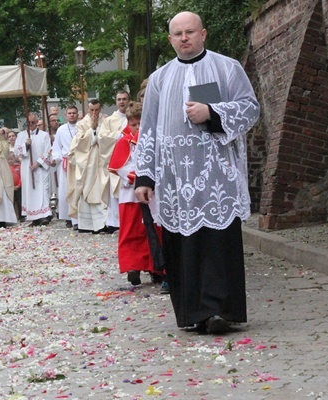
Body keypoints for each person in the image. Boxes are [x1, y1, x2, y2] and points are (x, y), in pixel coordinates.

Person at [134, 11, 260, 334]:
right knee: (185, 247)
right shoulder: (160, 79)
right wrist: (145, 177)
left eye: (190, 31)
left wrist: (212, 113)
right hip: (176, 180)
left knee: (217, 245)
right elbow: (147, 131)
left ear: (203, 34)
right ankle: (193, 312)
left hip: (217, 176)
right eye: (178, 34)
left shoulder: (226, 68)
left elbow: (250, 108)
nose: (184, 38)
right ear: (170, 40)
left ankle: (219, 310)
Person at [108, 101, 164, 287]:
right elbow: (119, 165)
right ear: (128, 123)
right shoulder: (123, 141)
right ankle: (133, 267)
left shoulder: (152, 139)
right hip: (130, 194)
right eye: (134, 124)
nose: (138, 128)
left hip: (151, 193)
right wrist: (137, 176)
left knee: (152, 230)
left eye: (141, 124)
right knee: (132, 231)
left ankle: (155, 267)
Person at [66, 99, 107, 233]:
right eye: (91, 110)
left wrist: (98, 130)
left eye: (97, 110)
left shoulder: (106, 120)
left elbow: (107, 138)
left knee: (102, 190)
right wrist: (92, 130)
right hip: (87, 162)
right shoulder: (81, 123)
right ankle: (87, 224)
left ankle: (104, 223)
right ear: (87, 109)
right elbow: (80, 142)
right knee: (86, 190)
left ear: (100, 109)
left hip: (101, 161)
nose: (94, 113)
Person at [98, 90, 130, 234]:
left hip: (130, 160)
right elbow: (102, 138)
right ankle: (114, 222)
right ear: (116, 101)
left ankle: (126, 221)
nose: (122, 102)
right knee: (114, 192)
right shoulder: (110, 120)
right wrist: (118, 135)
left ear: (128, 100)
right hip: (115, 160)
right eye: (119, 99)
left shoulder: (133, 117)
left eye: (124, 99)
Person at [14, 112, 52, 226]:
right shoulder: (21, 135)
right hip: (27, 168)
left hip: (40, 168)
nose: (30, 125)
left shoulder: (44, 135)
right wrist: (25, 145)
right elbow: (16, 151)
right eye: (28, 123)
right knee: (30, 191)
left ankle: (45, 215)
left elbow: (48, 151)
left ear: (36, 122)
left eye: (32, 122)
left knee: (43, 191)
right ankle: (34, 217)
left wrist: (38, 163)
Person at [52, 105, 79, 228]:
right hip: (66, 163)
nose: (72, 115)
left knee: (78, 190)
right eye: (70, 113)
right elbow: (57, 148)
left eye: (74, 113)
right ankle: (68, 217)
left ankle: (79, 218)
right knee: (65, 191)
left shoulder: (82, 127)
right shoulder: (61, 130)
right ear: (66, 115)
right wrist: (57, 158)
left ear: (77, 114)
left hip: (79, 162)